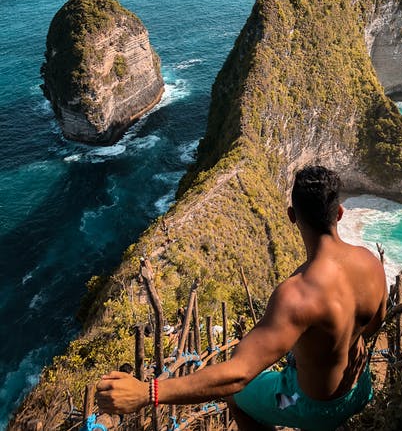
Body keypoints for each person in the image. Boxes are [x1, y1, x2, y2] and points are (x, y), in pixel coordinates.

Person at [96, 166, 387, 430]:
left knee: (237, 396)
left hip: (313, 407)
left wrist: (148, 393)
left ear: (292, 217)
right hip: (359, 388)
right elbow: (375, 324)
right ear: (339, 213)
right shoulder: (370, 263)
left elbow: (238, 375)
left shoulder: (297, 295)